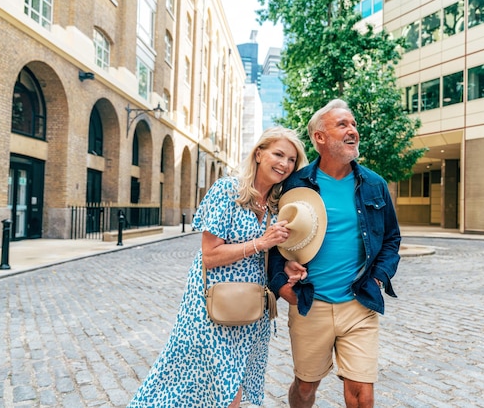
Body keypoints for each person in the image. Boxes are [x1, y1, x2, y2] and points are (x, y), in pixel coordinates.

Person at [128, 126, 308, 408]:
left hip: (250, 309)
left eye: (291, 160)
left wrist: (288, 267)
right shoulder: (228, 190)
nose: (284, 164)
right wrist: (261, 242)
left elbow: (271, 254)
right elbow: (209, 255)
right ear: (259, 154)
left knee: (226, 383)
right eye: (278, 154)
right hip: (211, 305)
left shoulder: (278, 204)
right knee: (209, 384)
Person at [268, 99, 402, 408]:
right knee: (305, 387)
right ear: (319, 137)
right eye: (342, 125)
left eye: (353, 124)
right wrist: (281, 285)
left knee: (362, 393)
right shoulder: (294, 183)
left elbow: (392, 239)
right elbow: (274, 243)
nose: (353, 130)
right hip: (309, 302)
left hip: (359, 303)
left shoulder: (374, 184)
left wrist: (379, 278)